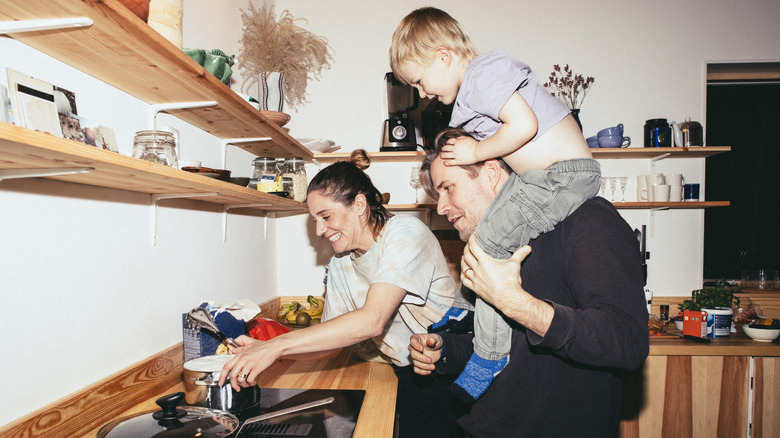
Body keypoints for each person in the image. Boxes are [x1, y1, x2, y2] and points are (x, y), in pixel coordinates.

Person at [390, 7, 601, 402]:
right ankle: (465, 309)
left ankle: (489, 355)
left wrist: (476, 150)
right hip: (541, 177)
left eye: (419, 81)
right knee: (483, 242)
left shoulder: (482, 75)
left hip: (564, 174)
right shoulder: (472, 94)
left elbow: (525, 126)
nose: (421, 93)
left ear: (442, 56)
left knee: (486, 247)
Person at [407, 134, 649, 437]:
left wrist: (516, 303)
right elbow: (501, 345)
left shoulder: (587, 218)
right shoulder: (488, 246)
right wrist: (445, 352)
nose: (442, 207)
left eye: (448, 188)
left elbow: (627, 342)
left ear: (491, 173)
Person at [218, 150, 465, 437]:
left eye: (325, 216)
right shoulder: (340, 264)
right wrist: (271, 352)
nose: (320, 230)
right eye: (314, 220)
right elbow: (330, 345)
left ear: (359, 204)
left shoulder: (405, 233)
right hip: (410, 371)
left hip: (451, 368)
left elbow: (372, 320)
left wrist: (276, 347)